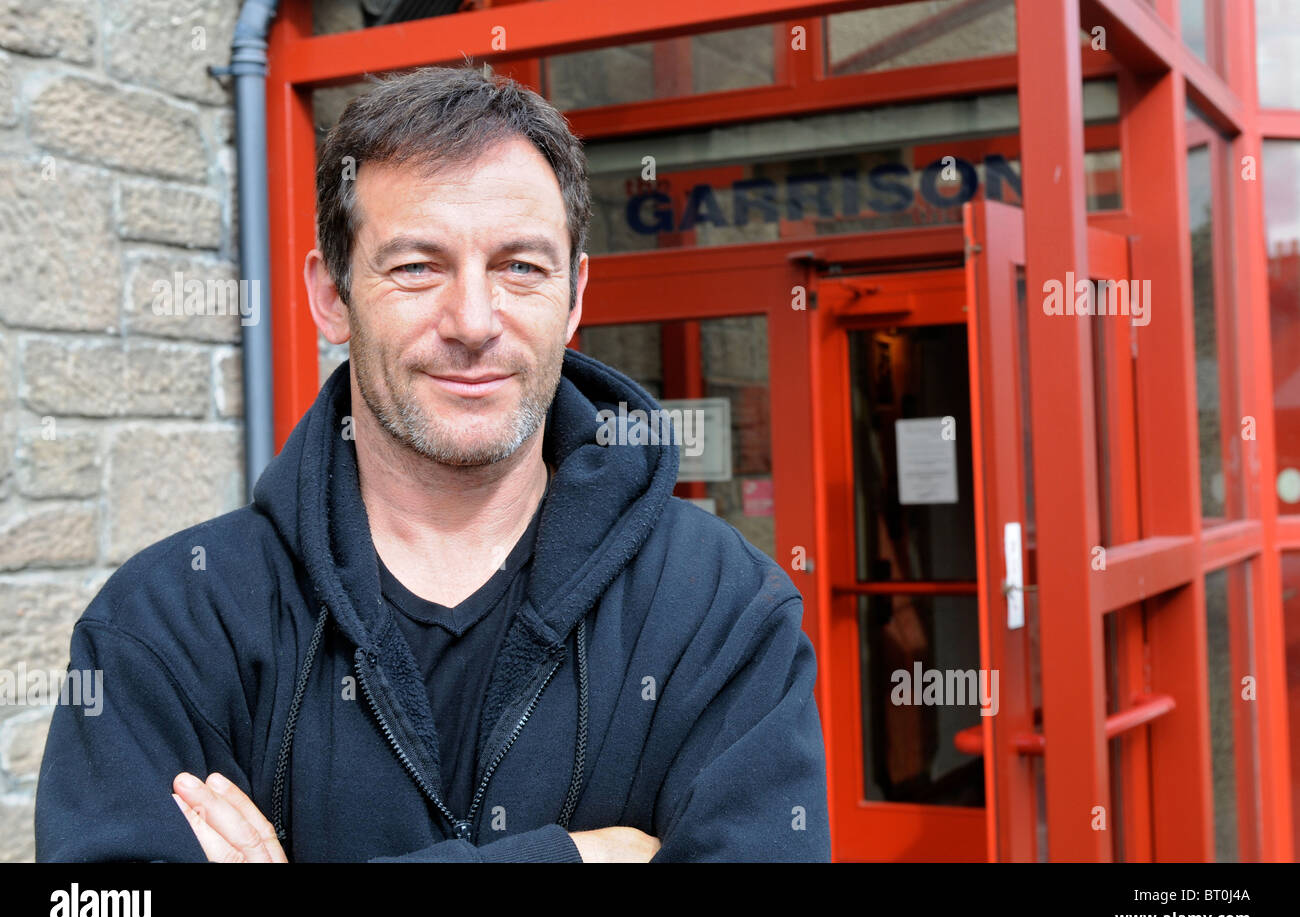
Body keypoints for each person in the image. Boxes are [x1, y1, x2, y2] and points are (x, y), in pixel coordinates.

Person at [35, 66, 831, 863]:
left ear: (577, 295)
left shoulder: (722, 611)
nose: (474, 321)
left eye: (521, 266)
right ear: (332, 296)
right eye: (418, 265)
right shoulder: (169, 621)